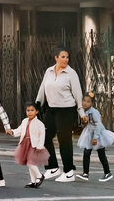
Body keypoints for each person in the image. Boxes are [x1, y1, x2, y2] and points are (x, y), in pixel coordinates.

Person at [36, 47, 87, 182]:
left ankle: (69, 172)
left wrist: (82, 113)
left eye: (67, 57)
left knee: (64, 140)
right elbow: (42, 89)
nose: (65, 59)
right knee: (45, 137)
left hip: (66, 110)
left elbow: (78, 94)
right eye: (63, 57)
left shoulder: (71, 74)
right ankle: (52, 167)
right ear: (56, 58)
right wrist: (37, 104)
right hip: (51, 110)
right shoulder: (49, 71)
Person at [76, 92, 114, 182]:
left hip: (98, 134)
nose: (85, 103)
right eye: (84, 101)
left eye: (88, 101)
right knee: (86, 152)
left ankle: (107, 172)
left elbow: (97, 125)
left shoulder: (94, 112)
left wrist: (95, 138)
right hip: (89, 133)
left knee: (101, 154)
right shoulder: (84, 112)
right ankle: (85, 174)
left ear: (92, 103)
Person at [12, 103, 50, 188]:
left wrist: (40, 146)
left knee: (30, 162)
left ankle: (39, 176)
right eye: (28, 110)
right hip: (25, 144)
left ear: (36, 111)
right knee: (30, 163)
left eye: (32, 110)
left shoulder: (39, 124)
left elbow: (42, 136)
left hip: (34, 145)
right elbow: (19, 130)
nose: (30, 112)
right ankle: (33, 181)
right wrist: (12, 132)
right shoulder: (24, 121)